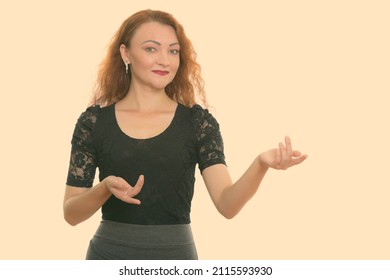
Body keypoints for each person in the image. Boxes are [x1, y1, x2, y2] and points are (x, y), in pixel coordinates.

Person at [63, 9, 307, 260]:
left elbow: (227, 204)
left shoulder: (198, 123)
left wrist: (260, 164)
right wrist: (104, 188)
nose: (164, 60)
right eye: (150, 49)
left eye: (173, 51)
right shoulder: (92, 122)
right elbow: (71, 214)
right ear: (126, 53)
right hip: (106, 257)